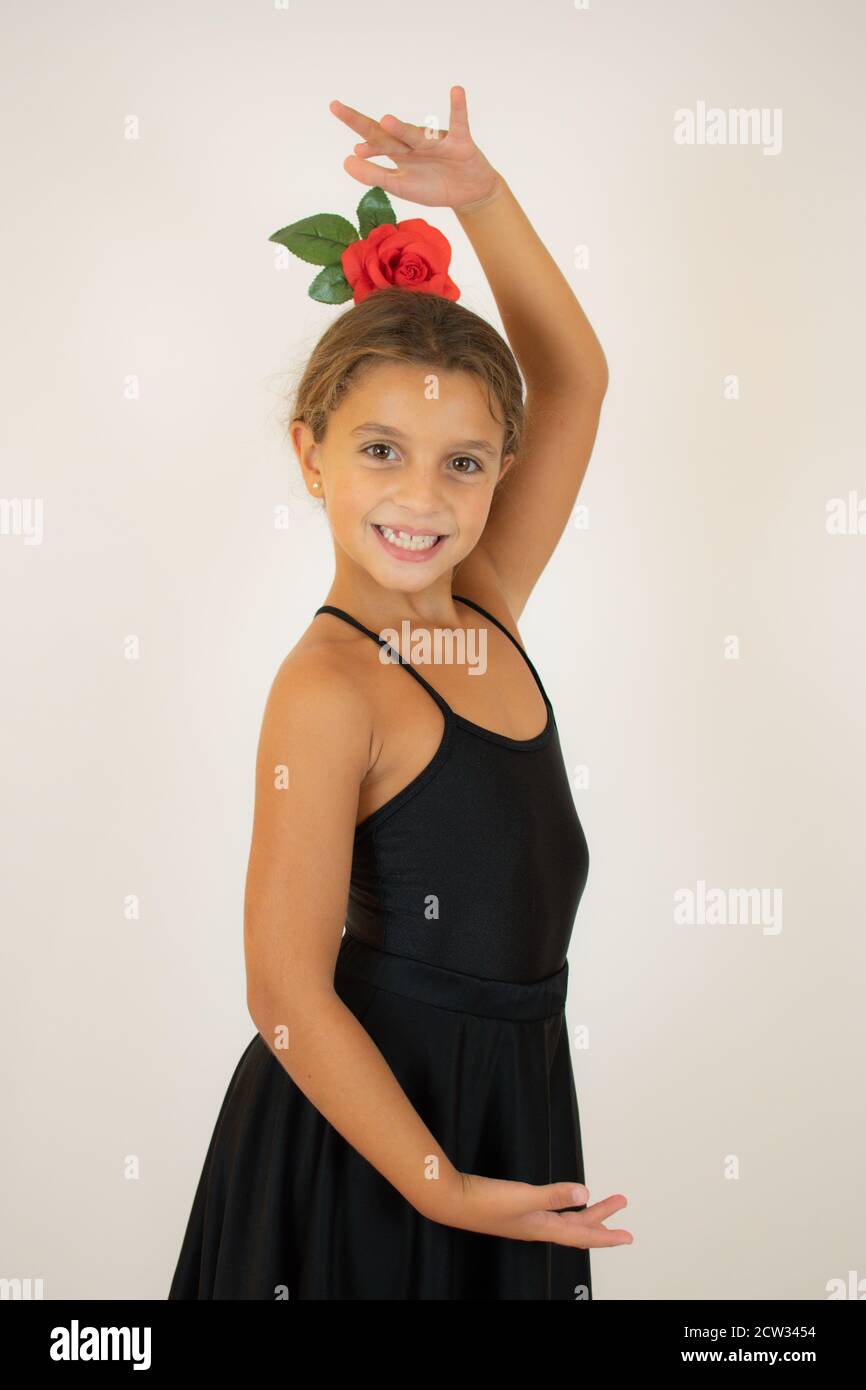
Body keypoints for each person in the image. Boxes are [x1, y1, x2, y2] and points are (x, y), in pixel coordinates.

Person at [168, 85, 632, 1300]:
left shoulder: (479, 613)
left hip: (503, 1122)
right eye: (380, 450)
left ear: (497, 476)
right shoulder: (329, 687)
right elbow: (281, 989)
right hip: (366, 1155)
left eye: (461, 461)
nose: (421, 499)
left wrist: (482, 200)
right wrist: (438, 1186)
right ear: (309, 449)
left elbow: (573, 381)